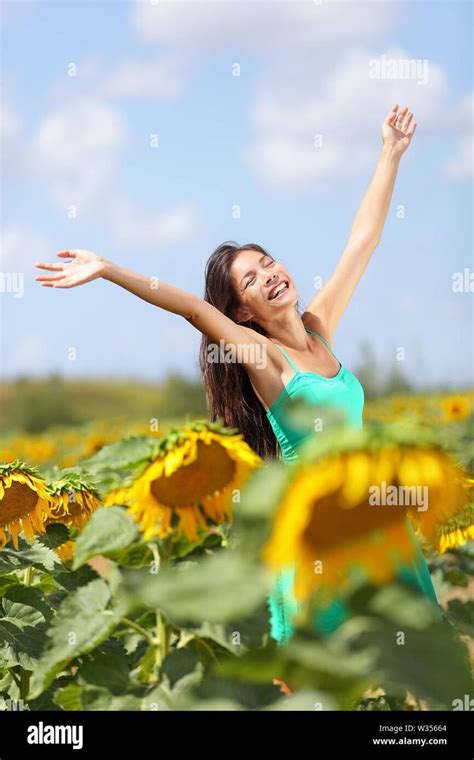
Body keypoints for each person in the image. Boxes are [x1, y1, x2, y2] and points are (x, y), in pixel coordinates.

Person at [36, 104, 434, 643]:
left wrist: (389, 152)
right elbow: (194, 310)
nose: (269, 276)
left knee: (412, 674)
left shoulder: (319, 331)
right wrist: (108, 269)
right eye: (251, 280)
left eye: (268, 263)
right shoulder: (265, 359)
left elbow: (361, 242)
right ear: (242, 311)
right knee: (325, 681)